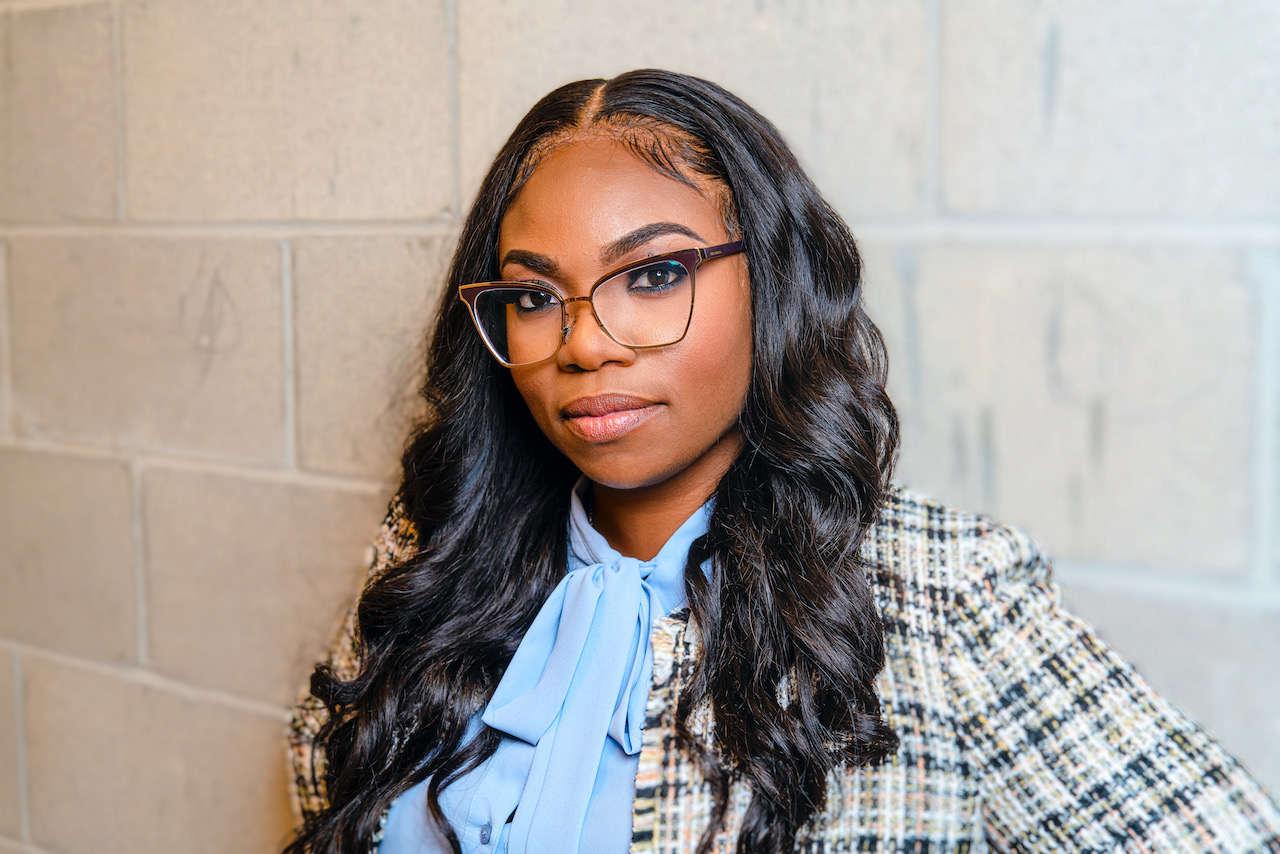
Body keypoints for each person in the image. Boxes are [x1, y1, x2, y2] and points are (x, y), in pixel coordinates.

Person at [283, 69, 1280, 854]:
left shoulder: (939, 591)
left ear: (774, 283)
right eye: (534, 295)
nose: (582, 343)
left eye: (653, 274)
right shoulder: (434, 562)